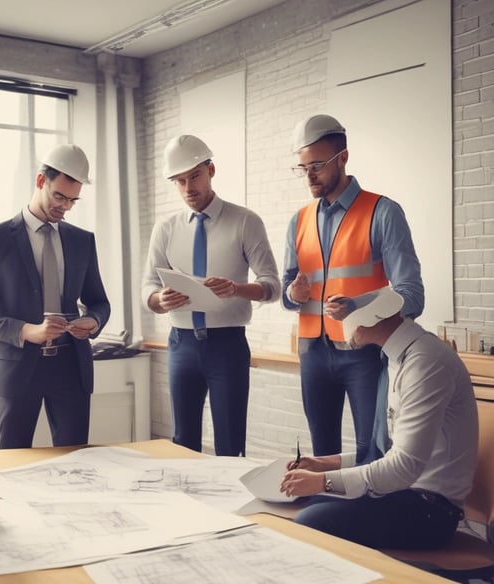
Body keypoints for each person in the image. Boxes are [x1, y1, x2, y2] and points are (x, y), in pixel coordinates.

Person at [280, 287, 478, 550]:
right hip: (403, 493)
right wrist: (322, 465)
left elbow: (403, 467)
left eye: (344, 317)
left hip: (430, 509)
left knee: (312, 522)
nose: (339, 327)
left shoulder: (426, 364)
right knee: (311, 505)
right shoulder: (398, 358)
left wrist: (323, 481)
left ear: (370, 318)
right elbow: (385, 453)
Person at [282, 114, 424, 464]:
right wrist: (293, 295)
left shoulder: (383, 212)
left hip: (364, 354)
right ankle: (324, 520)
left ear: (343, 157)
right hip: (312, 354)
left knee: (372, 455)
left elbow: (412, 295)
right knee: (321, 457)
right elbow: (287, 290)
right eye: (303, 167)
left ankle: (370, 519)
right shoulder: (298, 221)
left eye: (317, 164)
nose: (310, 175)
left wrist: (357, 306)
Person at [0, 144, 110, 449]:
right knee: (12, 463)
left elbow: (99, 301)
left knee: (76, 464)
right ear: (41, 181)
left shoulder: (82, 241)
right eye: (59, 196)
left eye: (72, 200)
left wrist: (92, 322)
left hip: (71, 368)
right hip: (17, 368)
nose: (65, 207)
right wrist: (26, 331)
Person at [141, 134, 281, 456]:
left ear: (211, 170)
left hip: (227, 345)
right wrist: (159, 300)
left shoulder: (246, 221)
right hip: (181, 344)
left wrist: (237, 289)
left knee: (230, 443)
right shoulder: (165, 228)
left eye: (195, 177)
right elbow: (147, 288)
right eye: (179, 181)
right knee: (183, 443)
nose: (188, 188)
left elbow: (272, 285)